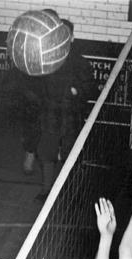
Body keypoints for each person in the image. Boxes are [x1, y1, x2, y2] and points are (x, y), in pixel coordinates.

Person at [34, 17, 96, 200]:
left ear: (72, 38)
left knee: (71, 154)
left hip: (71, 115)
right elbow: (36, 86)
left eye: (66, 34)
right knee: (47, 152)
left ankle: (70, 192)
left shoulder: (81, 62)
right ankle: (46, 190)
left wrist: (78, 91)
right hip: (51, 115)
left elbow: (91, 88)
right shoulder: (46, 60)